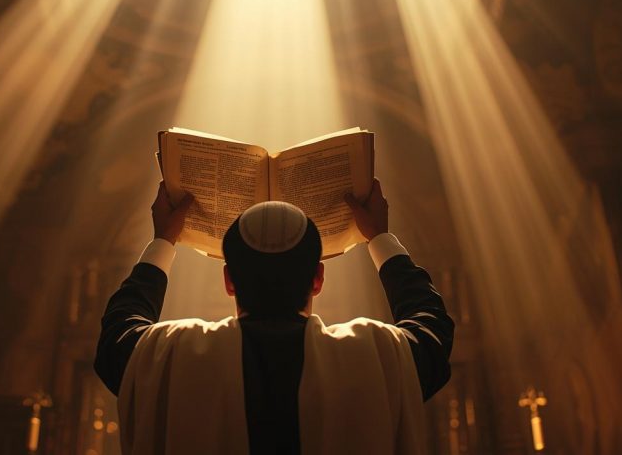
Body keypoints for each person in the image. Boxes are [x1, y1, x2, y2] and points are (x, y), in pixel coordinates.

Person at [95, 179, 454, 454]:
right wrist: (379, 236)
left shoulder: (172, 355)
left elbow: (117, 334)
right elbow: (432, 326)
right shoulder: (374, 356)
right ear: (318, 279)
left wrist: (163, 240)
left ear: (229, 281)